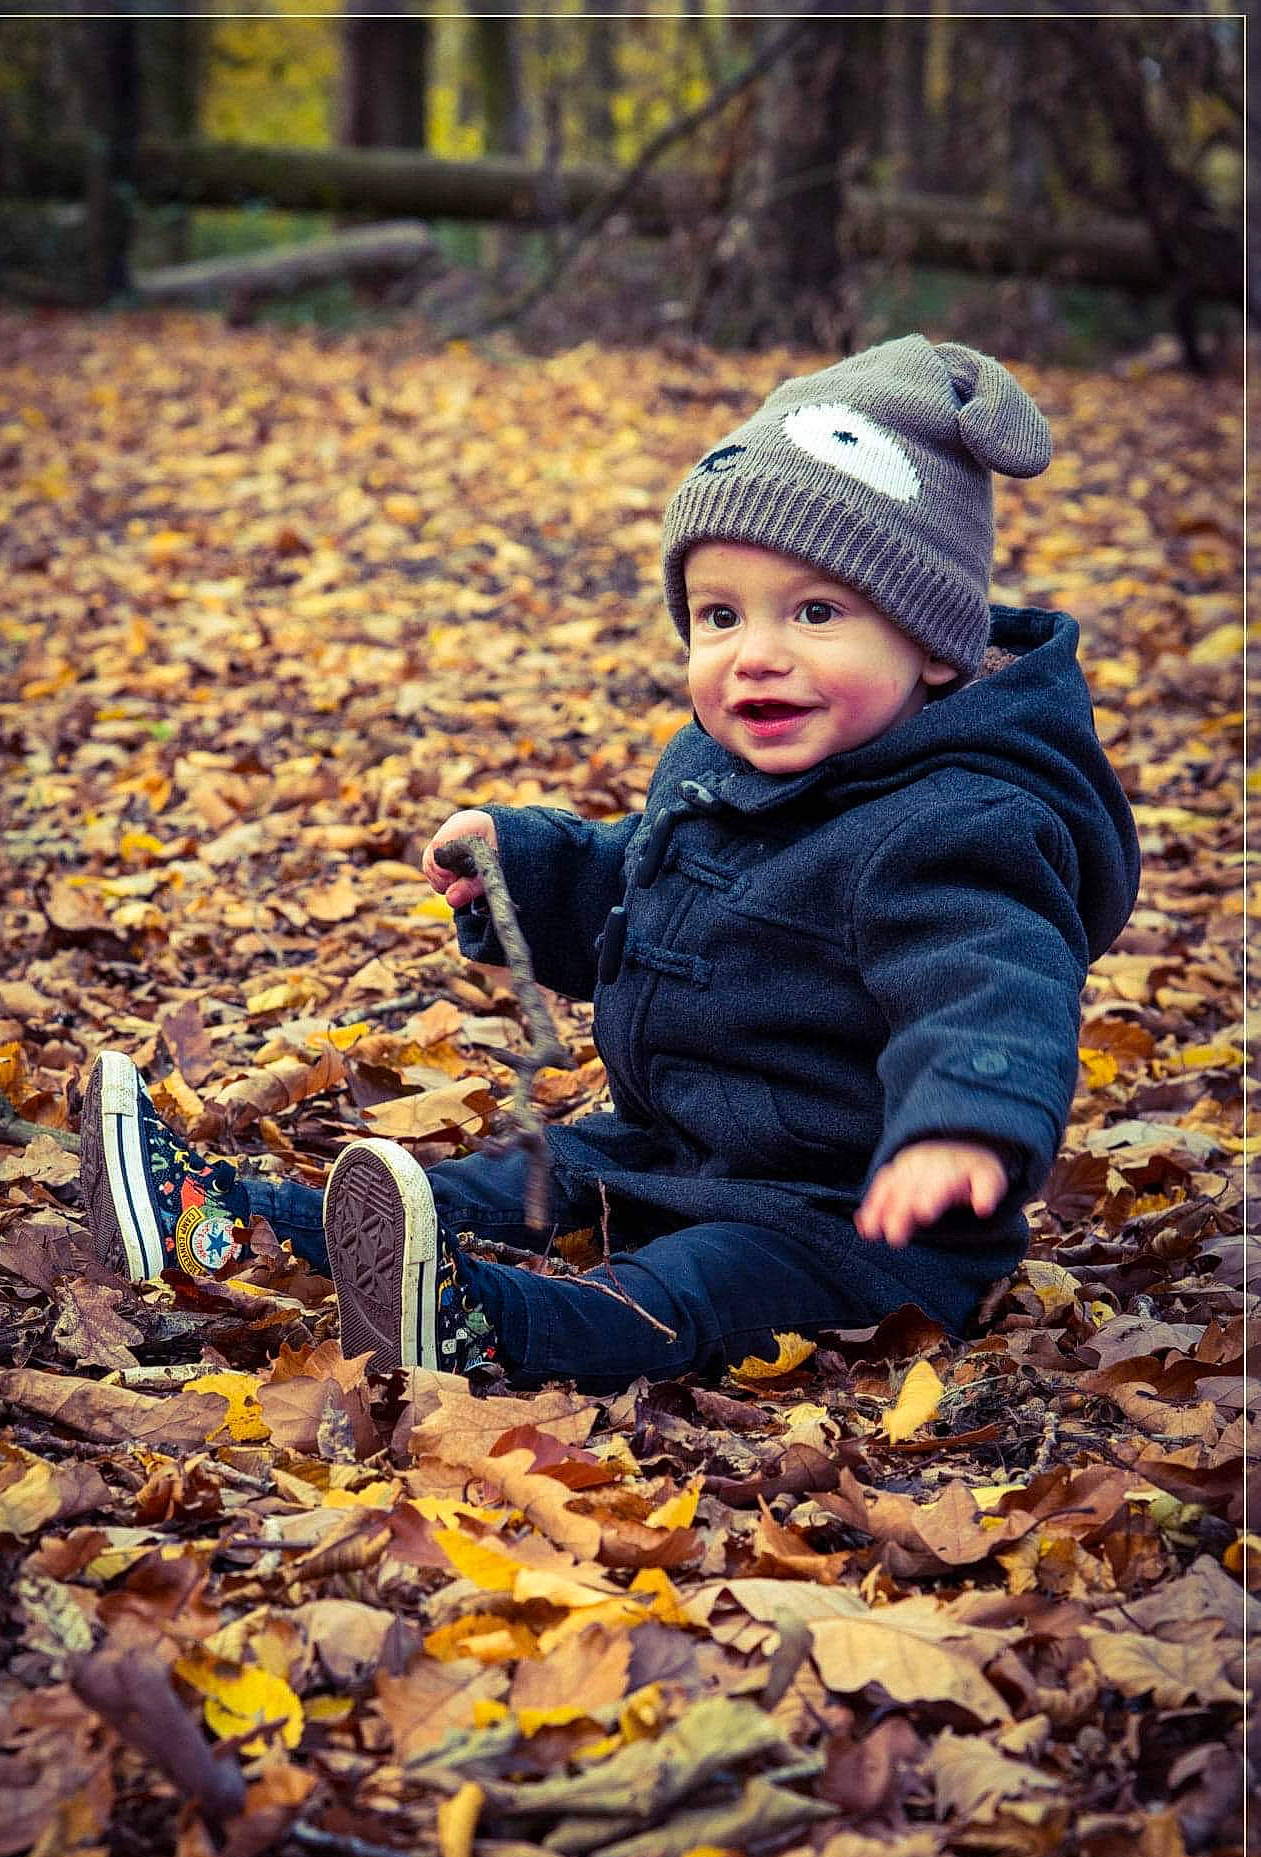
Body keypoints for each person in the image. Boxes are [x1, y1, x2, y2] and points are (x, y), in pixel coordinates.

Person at [79, 334, 1139, 1394]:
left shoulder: (957, 820)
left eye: (815, 612)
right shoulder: (723, 760)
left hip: (852, 1214)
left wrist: (962, 1126)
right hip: (674, 1146)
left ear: (932, 643)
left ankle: (488, 1329)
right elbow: (651, 894)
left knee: (696, 1284)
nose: (755, 653)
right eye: (719, 615)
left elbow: (992, 989)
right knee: (510, 1183)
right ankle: (228, 1225)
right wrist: (526, 876)